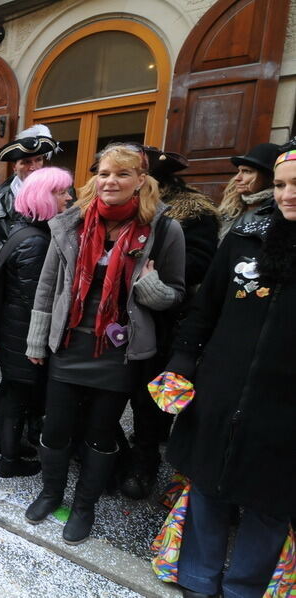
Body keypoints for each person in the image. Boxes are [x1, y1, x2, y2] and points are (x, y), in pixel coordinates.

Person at [150, 141, 296, 598]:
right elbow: (204, 308)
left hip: (285, 404)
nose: (288, 194)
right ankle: (197, 577)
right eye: (284, 184)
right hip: (221, 386)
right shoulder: (245, 235)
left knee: (272, 503)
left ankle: (244, 589)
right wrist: (183, 362)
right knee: (208, 485)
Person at [24, 143, 186, 545]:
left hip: (118, 352)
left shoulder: (163, 228)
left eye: (122, 174)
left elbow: (176, 294)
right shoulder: (72, 223)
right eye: (104, 173)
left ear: (141, 181)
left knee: (100, 435)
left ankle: (84, 506)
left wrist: (146, 283)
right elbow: (48, 287)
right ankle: (50, 492)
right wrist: (36, 341)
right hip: (67, 343)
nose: (110, 181)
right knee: (56, 428)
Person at [118, 146, 220, 500]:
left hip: (163, 321)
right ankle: (112, 452)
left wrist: (147, 270)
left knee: (149, 403)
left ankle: (143, 465)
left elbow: (198, 265)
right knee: (108, 392)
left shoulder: (192, 215)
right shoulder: (116, 210)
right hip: (119, 322)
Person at [0, 166, 71, 478]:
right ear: (43, 197)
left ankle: (3, 444)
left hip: (13, 329)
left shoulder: (22, 231)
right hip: (23, 334)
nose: (68, 197)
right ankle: (9, 460)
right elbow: (35, 298)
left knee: (11, 392)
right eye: (61, 192)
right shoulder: (36, 241)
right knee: (18, 396)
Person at [0, 124, 58, 250]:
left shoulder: (60, 192)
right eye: (26, 162)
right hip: (10, 267)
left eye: (38, 160)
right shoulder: (0, 201)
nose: (34, 167)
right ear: (14, 167)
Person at [218, 142, 280, 240]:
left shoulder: (279, 213)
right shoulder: (230, 209)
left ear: (269, 177)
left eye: (247, 171)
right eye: (239, 171)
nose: (237, 178)